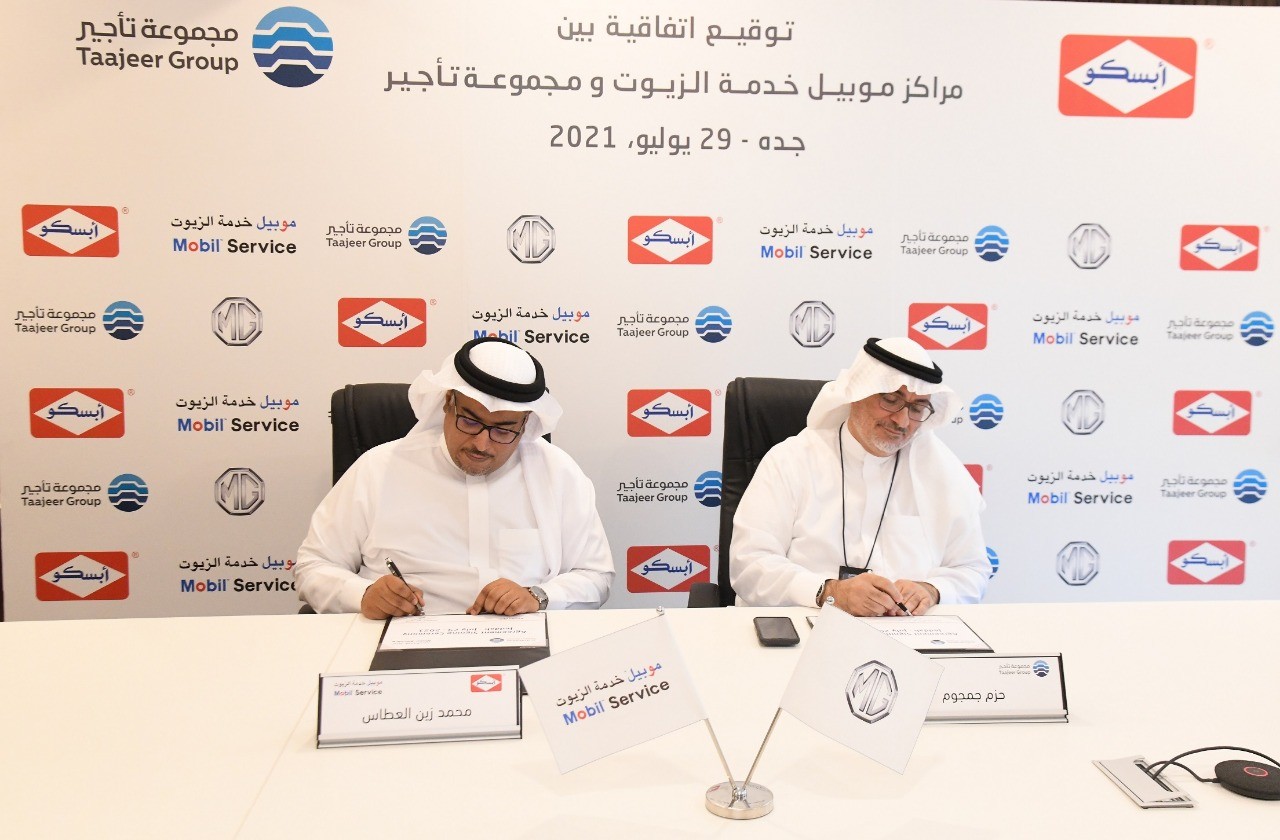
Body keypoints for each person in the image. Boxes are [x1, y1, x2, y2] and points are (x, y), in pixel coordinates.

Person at [294, 336, 614, 618]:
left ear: (525, 424)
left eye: (503, 431)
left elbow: (595, 576)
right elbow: (313, 567)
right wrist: (362, 595)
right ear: (448, 403)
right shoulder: (378, 468)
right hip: (404, 644)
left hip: (523, 645)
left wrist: (539, 596)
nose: (482, 444)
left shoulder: (558, 474)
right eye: (470, 422)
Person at [729, 336, 989, 616]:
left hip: (907, 633)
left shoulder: (942, 474)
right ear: (857, 393)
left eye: (916, 408)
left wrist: (932, 590)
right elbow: (749, 564)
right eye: (891, 400)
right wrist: (829, 592)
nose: (902, 421)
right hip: (805, 626)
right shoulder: (791, 461)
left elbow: (972, 569)